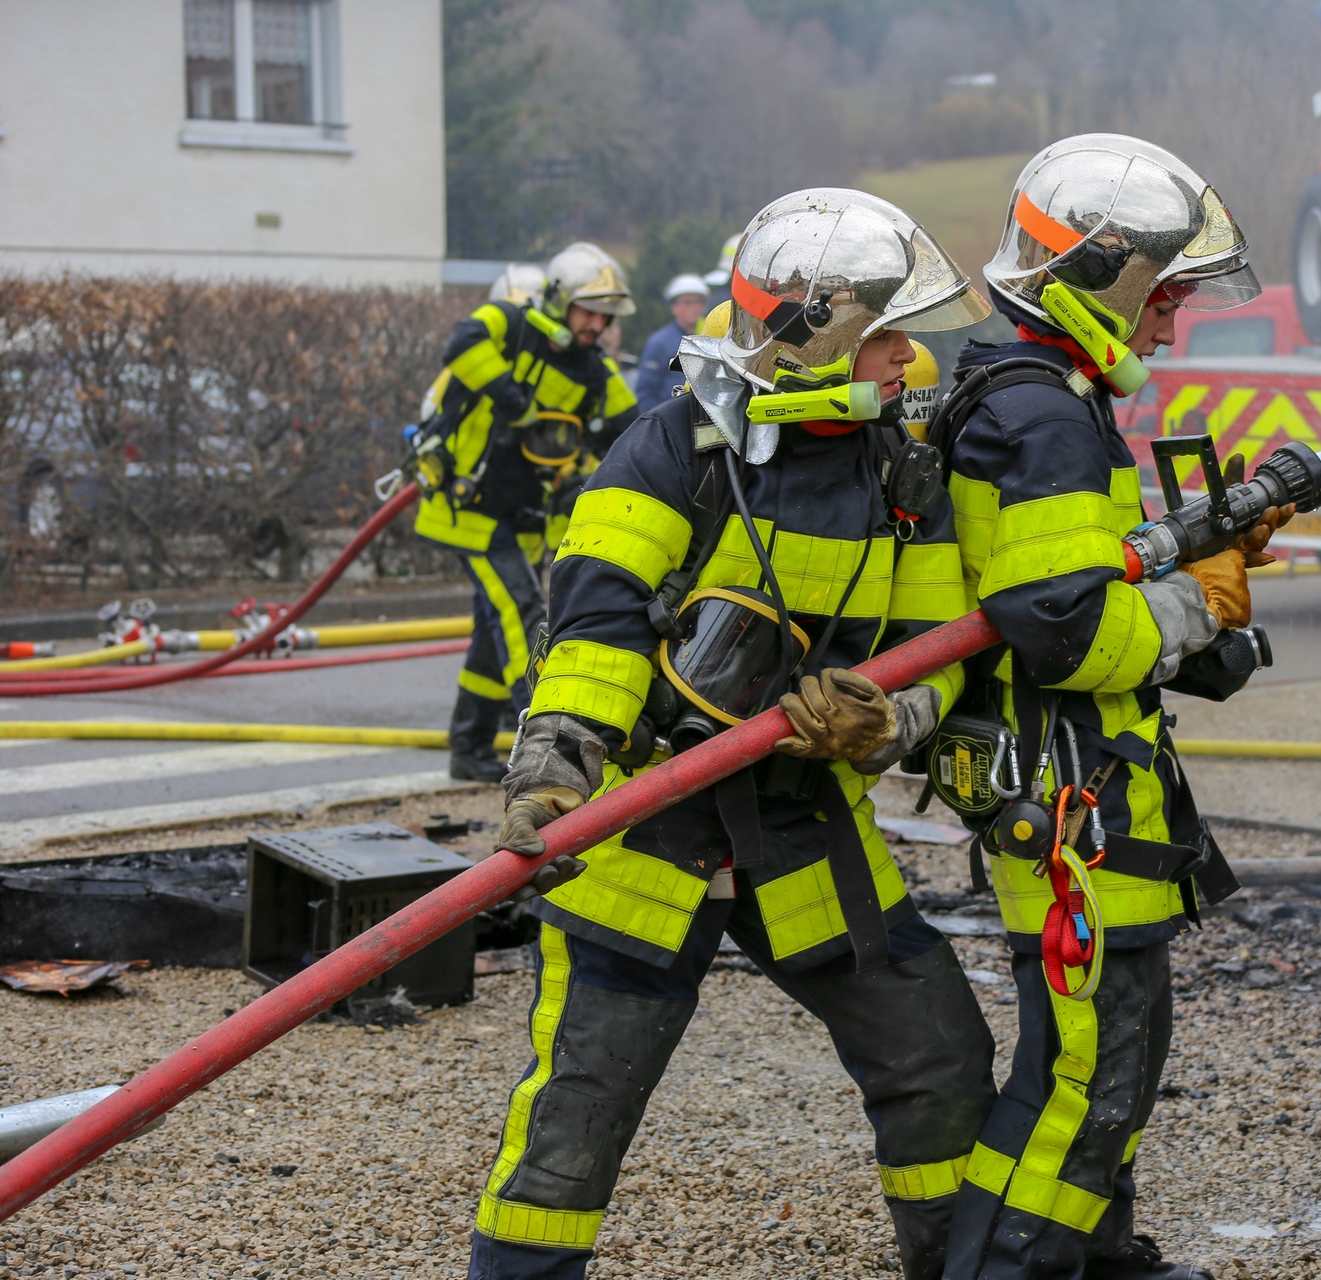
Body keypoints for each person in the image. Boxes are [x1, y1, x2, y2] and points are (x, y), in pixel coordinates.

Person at [468, 189, 999, 1280]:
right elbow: (600, 618)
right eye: (891, 334)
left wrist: (881, 722)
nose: (913, 359)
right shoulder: (673, 446)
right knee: (579, 1115)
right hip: (648, 824)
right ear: (816, 328)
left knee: (935, 1050)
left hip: (804, 828)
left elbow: (938, 645)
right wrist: (555, 764)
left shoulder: (903, 473)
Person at [937, 134, 1287, 1280]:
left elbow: (1086, 587)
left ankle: (1099, 1254)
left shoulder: (1039, 395)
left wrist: (1195, 585)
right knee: (1085, 1074)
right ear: (1108, 277)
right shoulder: (1040, 416)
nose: (1170, 326)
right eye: (1166, 298)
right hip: (1072, 808)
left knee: (1113, 1057)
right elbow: (1071, 629)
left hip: (1085, 794)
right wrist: (1204, 595)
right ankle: (1014, 1266)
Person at [411, 243, 642, 782]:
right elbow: (462, 343)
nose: (595, 324)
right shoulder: (509, 325)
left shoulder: (593, 371)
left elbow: (630, 430)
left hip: (524, 515)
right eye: (587, 310)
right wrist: (508, 396)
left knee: (493, 631)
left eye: (603, 315)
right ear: (560, 299)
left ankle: (468, 749)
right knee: (520, 612)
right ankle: (538, 747)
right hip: (467, 505)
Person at [630, 273, 711, 409]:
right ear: (673, 307)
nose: (694, 307)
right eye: (687, 302)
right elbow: (646, 392)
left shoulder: (710, 338)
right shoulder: (658, 343)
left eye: (698, 301)